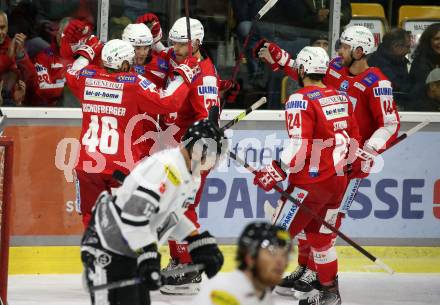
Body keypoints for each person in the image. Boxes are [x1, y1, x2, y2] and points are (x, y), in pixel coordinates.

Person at [255, 25, 400, 301]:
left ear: (359, 51)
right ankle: (313, 275)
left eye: (344, 47)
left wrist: (366, 152)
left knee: (312, 226)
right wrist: (280, 57)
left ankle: (310, 273)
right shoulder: (335, 70)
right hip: (333, 166)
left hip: (347, 167)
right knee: (318, 225)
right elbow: (308, 74)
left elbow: (390, 123)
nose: (338, 52)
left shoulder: (377, 83)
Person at [253, 46, 360, 305]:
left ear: (301, 70)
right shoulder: (342, 98)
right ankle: (330, 294)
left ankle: (245, 292)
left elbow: (300, 145)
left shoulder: (299, 99)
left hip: (309, 184)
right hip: (337, 182)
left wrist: (275, 169)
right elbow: (355, 139)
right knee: (321, 239)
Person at [81, 118, 225, 305]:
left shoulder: (190, 174)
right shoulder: (165, 167)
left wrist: (195, 240)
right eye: (211, 157)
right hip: (109, 248)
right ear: (198, 151)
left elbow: (171, 215)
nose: (212, 164)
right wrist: (148, 253)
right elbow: (133, 216)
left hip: (132, 249)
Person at [65, 38, 198, 228]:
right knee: (127, 221)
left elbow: (72, 71)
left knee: (91, 217)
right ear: (126, 64)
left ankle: (95, 256)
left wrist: (88, 50)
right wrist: (184, 74)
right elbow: (169, 101)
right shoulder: (133, 84)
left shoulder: (87, 78)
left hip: (87, 164)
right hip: (121, 166)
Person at [136, 13, 222, 295]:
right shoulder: (185, 57)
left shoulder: (205, 75)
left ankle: (189, 267)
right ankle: (180, 260)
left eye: (180, 44)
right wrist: (157, 39)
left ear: (196, 42)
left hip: (195, 152)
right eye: (172, 43)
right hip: (178, 150)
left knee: (182, 207)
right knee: (172, 206)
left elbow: (208, 122)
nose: (174, 49)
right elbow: (170, 57)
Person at [191, 221, 291, 305]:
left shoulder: (263, 294)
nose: (281, 261)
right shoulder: (224, 291)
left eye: (284, 254)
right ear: (250, 257)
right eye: (272, 253)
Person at [367, 28, 411, 109]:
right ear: (395, 46)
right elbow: (398, 87)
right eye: (407, 47)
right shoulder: (378, 63)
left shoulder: (399, 60)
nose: (409, 51)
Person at [407, 23, 440, 111]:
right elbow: (426, 94)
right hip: (425, 112)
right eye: (437, 39)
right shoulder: (421, 63)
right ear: (428, 41)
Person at [0, 10, 27, 106]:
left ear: (7, 27)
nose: (0, 32)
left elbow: (31, 78)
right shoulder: (11, 49)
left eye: (2, 27)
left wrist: (21, 56)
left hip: (10, 103)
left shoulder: (13, 44)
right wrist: (9, 57)